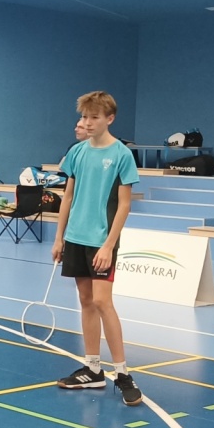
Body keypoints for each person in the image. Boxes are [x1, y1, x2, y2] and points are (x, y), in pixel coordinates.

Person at [52, 90, 143, 405]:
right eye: (84, 117)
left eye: (94, 117)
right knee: (86, 301)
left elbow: (124, 205)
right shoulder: (77, 152)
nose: (87, 122)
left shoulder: (121, 155)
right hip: (76, 238)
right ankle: (92, 369)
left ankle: (123, 373)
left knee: (103, 302)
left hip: (102, 241)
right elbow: (67, 197)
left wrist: (108, 245)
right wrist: (59, 237)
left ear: (109, 119)